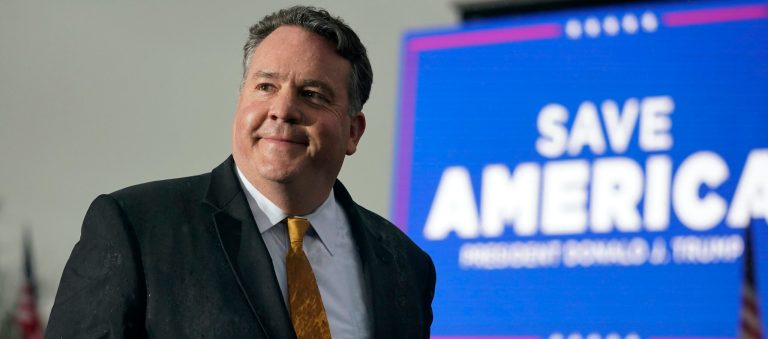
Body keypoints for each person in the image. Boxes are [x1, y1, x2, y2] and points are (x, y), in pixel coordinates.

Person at [45, 6, 435, 339]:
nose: (282, 109)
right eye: (266, 86)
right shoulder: (136, 227)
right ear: (240, 101)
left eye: (312, 94)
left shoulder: (406, 266)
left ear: (353, 131)